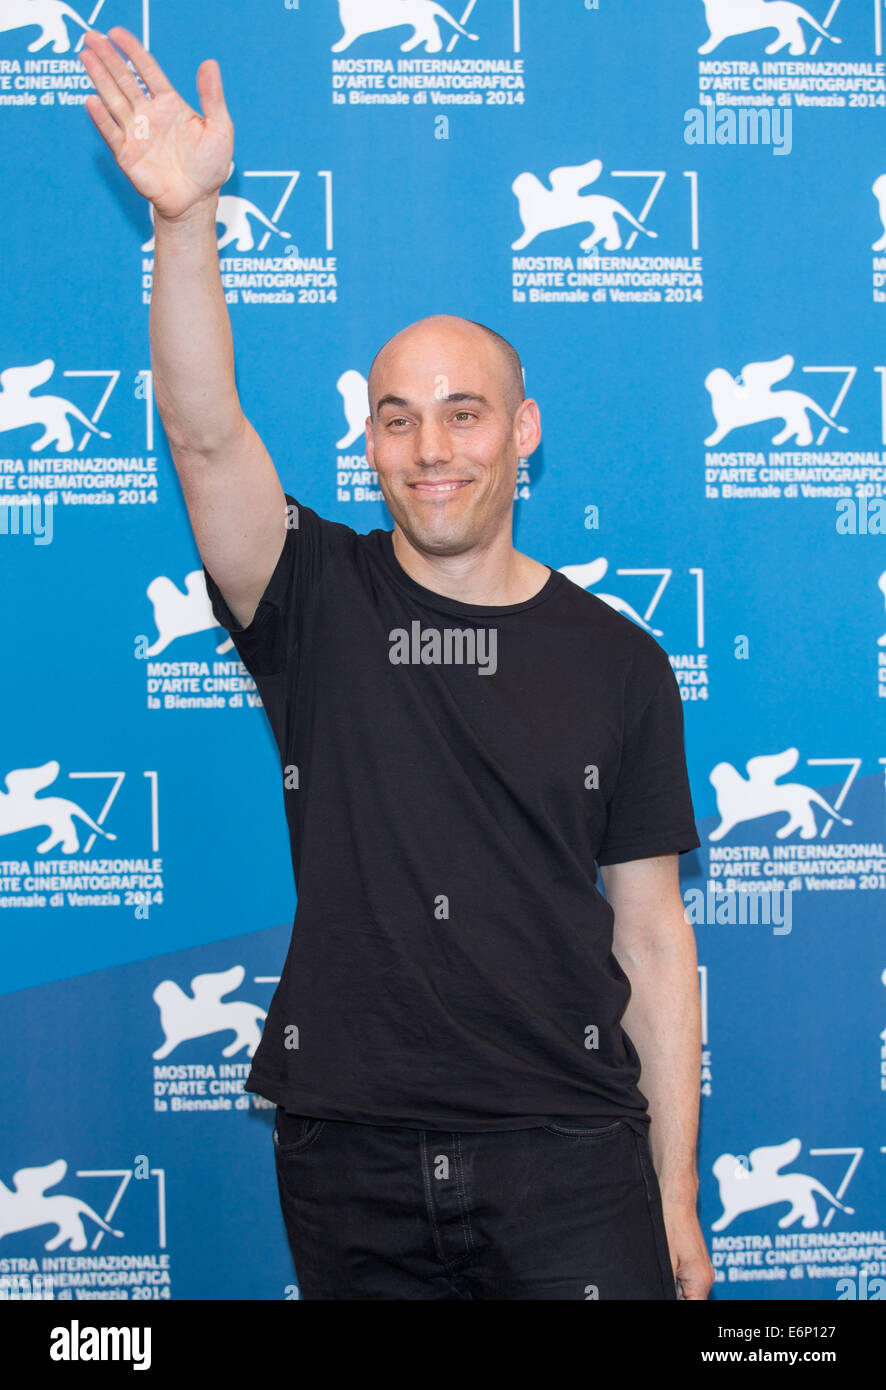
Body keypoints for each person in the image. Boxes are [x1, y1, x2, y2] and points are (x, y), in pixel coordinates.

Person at [79, 26, 715, 1302]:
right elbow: (206, 441)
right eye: (396, 416)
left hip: (571, 1162)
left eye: (464, 411)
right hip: (350, 1158)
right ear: (369, 445)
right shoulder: (312, 595)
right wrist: (187, 219)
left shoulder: (621, 662)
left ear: (521, 433)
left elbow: (651, 940)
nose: (432, 447)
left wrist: (672, 1196)